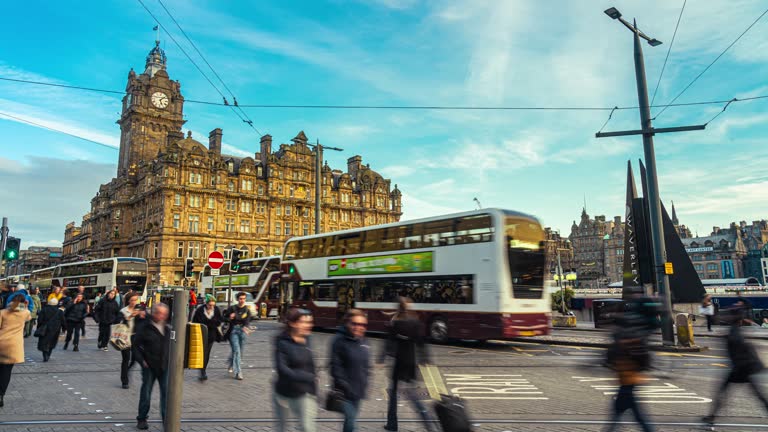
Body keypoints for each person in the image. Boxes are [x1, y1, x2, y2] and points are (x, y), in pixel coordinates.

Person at [703, 305, 768, 426]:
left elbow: (739, 350)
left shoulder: (734, 333)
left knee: (722, 392)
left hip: (741, 369)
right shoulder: (735, 330)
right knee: (758, 395)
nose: (726, 316)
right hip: (743, 369)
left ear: (733, 318)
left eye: (729, 315)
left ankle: (711, 417)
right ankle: (711, 417)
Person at [381, 297, 434, 432]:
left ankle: (392, 425)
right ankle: (428, 423)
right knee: (413, 395)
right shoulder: (415, 322)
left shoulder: (395, 323)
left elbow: (388, 342)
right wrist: (425, 359)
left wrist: (382, 358)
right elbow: (421, 343)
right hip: (410, 363)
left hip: (398, 363)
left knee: (393, 395)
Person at [273, 308, 317, 432]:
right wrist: (307, 377)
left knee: (308, 428)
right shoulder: (282, 342)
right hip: (284, 393)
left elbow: (311, 365)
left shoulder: (308, 339)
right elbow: (282, 369)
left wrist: (314, 389)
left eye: (310, 322)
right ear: (293, 323)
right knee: (282, 428)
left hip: (304, 392)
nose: (309, 326)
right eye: (304, 322)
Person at [604, 333, 654, 432]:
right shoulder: (633, 347)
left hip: (626, 386)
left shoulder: (619, 349)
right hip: (629, 384)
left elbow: (610, 362)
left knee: (618, 416)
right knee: (637, 417)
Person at [330, 309, 371, 432]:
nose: (359, 327)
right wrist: (344, 385)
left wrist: (366, 380)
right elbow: (335, 367)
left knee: (349, 422)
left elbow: (366, 365)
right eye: (355, 324)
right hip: (344, 392)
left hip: (358, 390)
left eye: (362, 324)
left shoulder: (364, 341)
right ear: (347, 323)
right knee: (352, 422)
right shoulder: (339, 341)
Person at [133, 303, 170, 430]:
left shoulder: (168, 329)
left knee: (166, 394)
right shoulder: (145, 327)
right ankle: (142, 418)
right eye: (159, 313)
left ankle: (167, 420)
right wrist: (142, 361)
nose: (162, 316)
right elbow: (135, 346)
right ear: (154, 313)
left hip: (164, 366)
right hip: (149, 366)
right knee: (146, 393)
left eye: (164, 313)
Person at [0, 292, 31, 408]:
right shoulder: (25, 313)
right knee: (6, 372)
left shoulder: (2, 313)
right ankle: (1, 395)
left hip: (1, 343)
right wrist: (25, 305)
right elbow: (29, 316)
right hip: (13, 347)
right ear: (24, 302)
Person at [191, 295, 222, 381]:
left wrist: (209, 323)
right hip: (200, 335)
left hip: (211, 336)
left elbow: (219, 321)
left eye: (213, 305)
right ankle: (201, 370)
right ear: (206, 303)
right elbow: (194, 321)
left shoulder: (216, 310)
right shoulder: (200, 310)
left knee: (206, 353)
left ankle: (203, 370)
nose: (211, 307)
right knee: (201, 353)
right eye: (210, 305)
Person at [224, 292, 253, 380]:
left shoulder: (247, 310)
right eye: (241, 298)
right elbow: (224, 318)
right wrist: (230, 317)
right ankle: (238, 372)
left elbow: (247, 321)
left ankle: (231, 363)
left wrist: (246, 327)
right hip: (233, 331)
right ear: (237, 299)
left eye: (244, 298)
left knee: (240, 351)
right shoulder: (232, 308)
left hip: (242, 332)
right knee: (237, 351)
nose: (242, 300)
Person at [120, 292, 146, 389]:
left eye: (136, 300)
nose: (134, 302)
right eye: (132, 300)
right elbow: (120, 324)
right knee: (125, 359)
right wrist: (130, 316)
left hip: (136, 337)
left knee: (135, 358)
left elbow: (145, 321)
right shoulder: (123, 311)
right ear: (128, 301)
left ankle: (127, 370)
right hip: (125, 337)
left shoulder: (140, 309)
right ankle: (124, 381)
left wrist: (142, 315)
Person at [36, 297, 66, 362]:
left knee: (44, 342)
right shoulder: (59, 311)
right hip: (55, 329)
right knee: (52, 342)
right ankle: (48, 354)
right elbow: (63, 321)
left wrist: (39, 327)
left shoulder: (44, 310)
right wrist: (64, 329)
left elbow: (40, 320)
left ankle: (45, 354)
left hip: (45, 329)